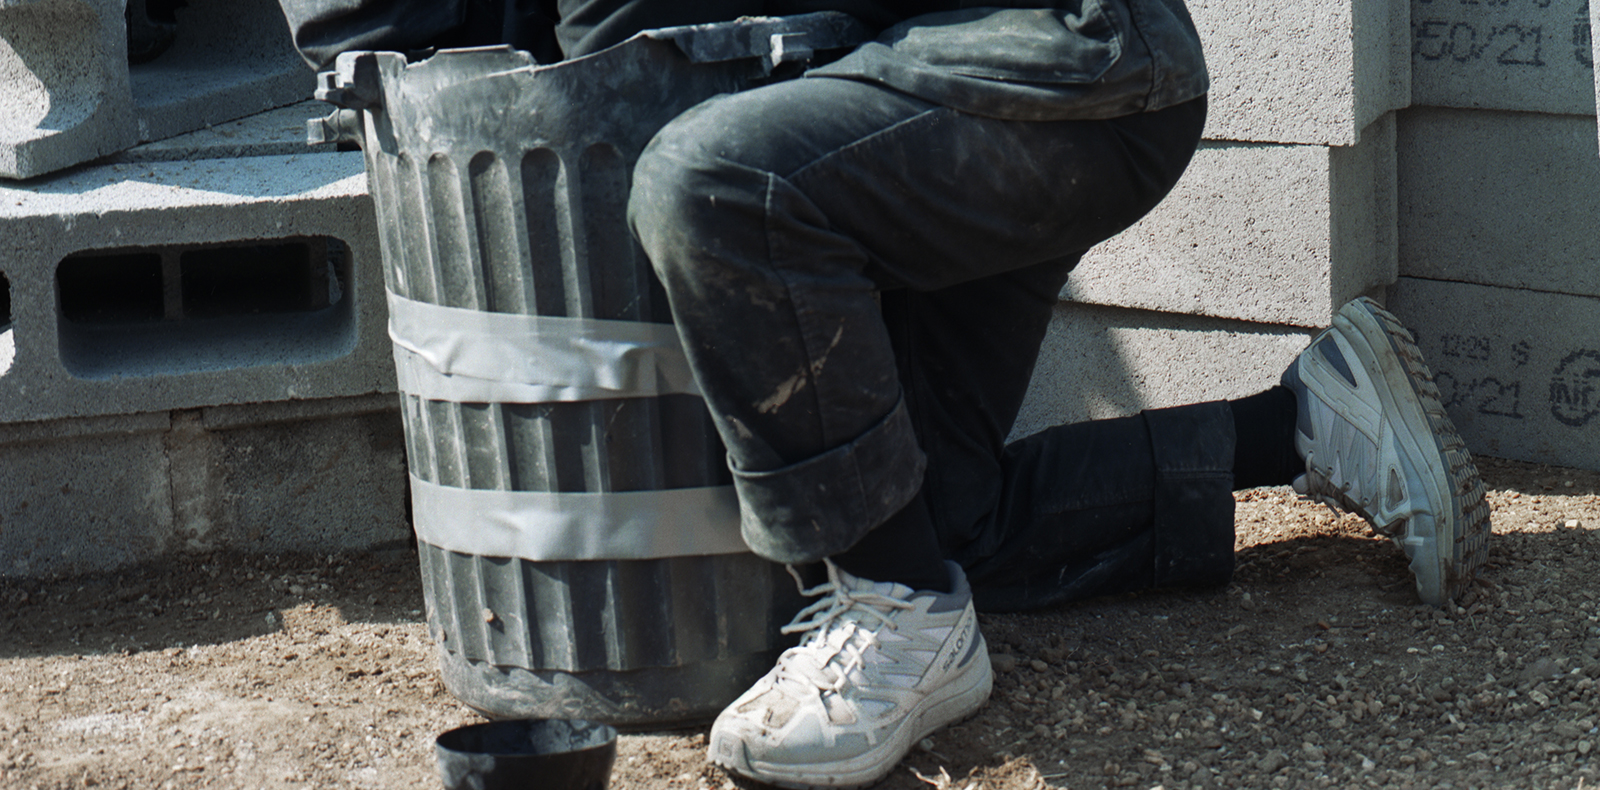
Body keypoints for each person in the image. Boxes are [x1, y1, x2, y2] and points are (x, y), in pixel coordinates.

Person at [277, 2, 1490, 786]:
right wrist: (403, 55)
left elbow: (626, 35)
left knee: (715, 183)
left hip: (1062, 55)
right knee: (923, 505)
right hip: (939, 56)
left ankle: (899, 612)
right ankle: (1306, 420)